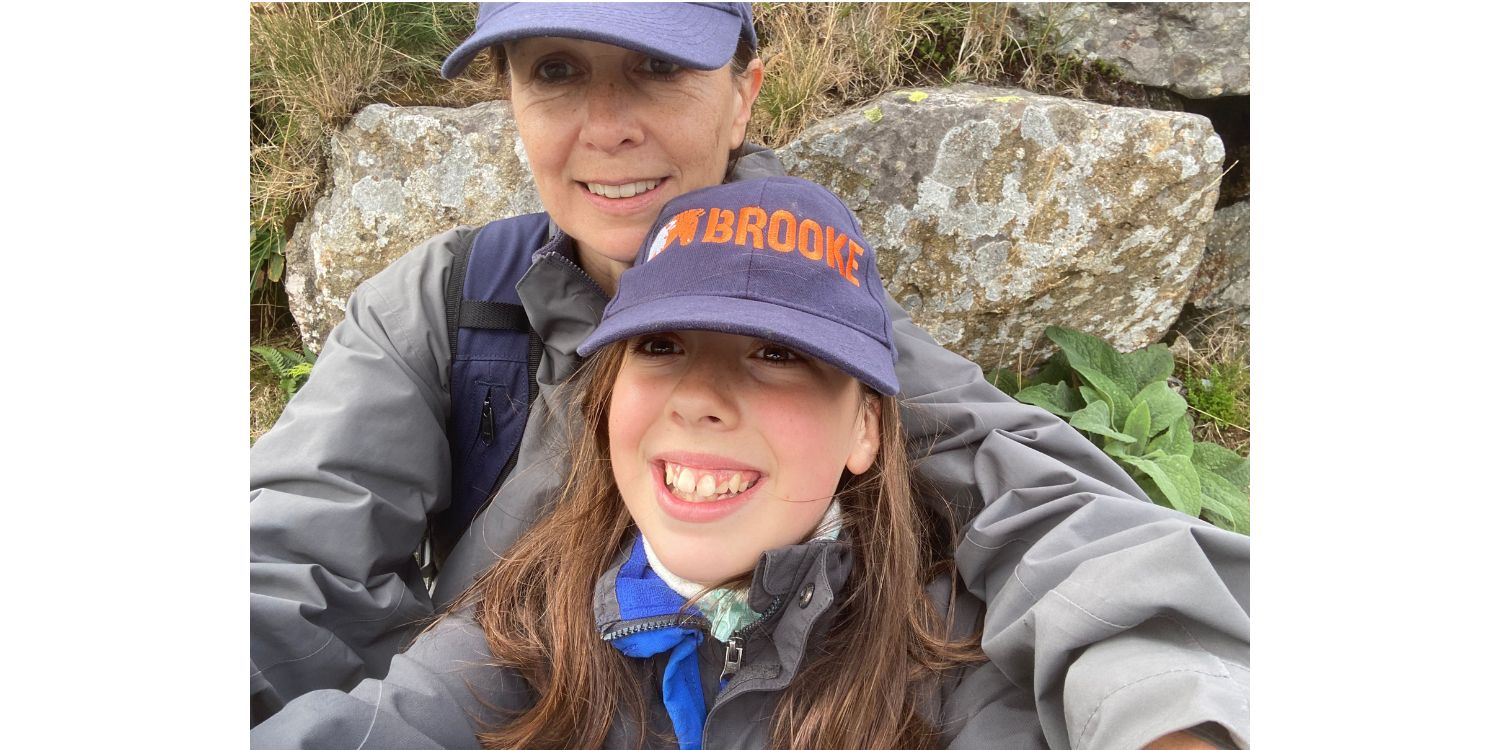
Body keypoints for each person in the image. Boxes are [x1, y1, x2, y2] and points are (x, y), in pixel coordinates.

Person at [250, 4, 1248, 747]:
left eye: (656, 67)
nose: (607, 125)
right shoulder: (443, 305)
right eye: (556, 70)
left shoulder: (835, 313)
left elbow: (1047, 511)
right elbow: (282, 564)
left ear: (743, 96)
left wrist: (1167, 714)